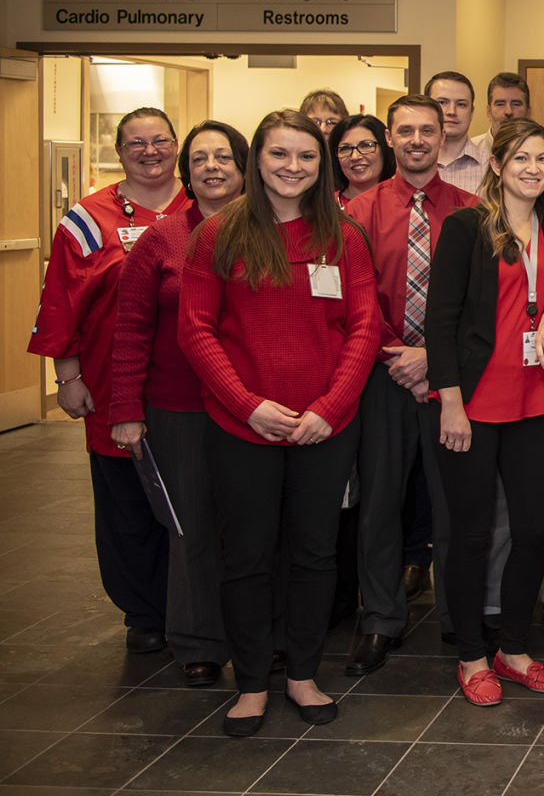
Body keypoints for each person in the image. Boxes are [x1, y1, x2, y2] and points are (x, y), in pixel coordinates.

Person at [179, 110, 380, 736]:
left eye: (306, 157)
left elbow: (364, 328)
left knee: (316, 555)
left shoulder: (342, 238)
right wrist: (248, 405)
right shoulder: (219, 236)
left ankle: (301, 673)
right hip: (244, 425)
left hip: (324, 425)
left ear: (321, 167)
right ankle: (250, 684)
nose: (293, 167)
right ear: (255, 162)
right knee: (246, 556)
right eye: (278, 155)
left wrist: (329, 407)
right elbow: (196, 330)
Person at [425, 118, 544, 706]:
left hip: (530, 404)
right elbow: (440, 321)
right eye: (521, 158)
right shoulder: (465, 227)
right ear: (496, 165)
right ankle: (472, 655)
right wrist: (449, 402)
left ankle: (514, 649)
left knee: (532, 530)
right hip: (469, 405)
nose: (533, 168)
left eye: (542, 160)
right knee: (471, 536)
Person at [29, 106, 191, 654]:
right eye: (137, 143)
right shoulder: (88, 217)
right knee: (127, 502)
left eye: (161, 141)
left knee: (190, 500)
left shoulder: (206, 205)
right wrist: (66, 375)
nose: (151, 152)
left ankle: (190, 605)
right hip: (109, 382)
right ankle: (144, 611)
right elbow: (59, 299)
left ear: (177, 145)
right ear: (119, 151)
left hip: (190, 388)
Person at [108, 120, 248, 687]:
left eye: (223, 157)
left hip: (254, 407)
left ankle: (262, 636)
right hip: (178, 408)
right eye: (199, 159)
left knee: (254, 528)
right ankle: (199, 642)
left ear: (245, 168)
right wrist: (125, 409)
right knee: (189, 526)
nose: (211, 167)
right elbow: (131, 328)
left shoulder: (269, 232)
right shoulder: (161, 239)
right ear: (186, 172)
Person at [340, 95, 477, 676]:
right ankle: (380, 620)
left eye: (428, 129)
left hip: (453, 383)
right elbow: (355, 295)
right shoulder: (358, 211)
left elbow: (479, 299)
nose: (418, 139)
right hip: (381, 375)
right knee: (380, 504)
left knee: (455, 507)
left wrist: (433, 358)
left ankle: (458, 618)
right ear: (389, 139)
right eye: (406, 131)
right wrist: (400, 355)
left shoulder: (474, 209)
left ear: (442, 134)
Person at [428, 71, 488, 194]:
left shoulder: (492, 168)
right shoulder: (409, 162)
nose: (451, 111)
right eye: (442, 102)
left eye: (461, 104)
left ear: (471, 112)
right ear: (426, 108)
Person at [330, 114, 393, 203]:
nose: (355, 157)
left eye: (366, 146)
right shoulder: (325, 206)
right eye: (345, 149)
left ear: (384, 148)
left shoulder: (404, 203)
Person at [468, 71, 531, 160]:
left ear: (528, 113)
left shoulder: (541, 152)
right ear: (489, 112)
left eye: (516, 104)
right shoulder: (469, 153)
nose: (508, 112)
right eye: (500, 104)